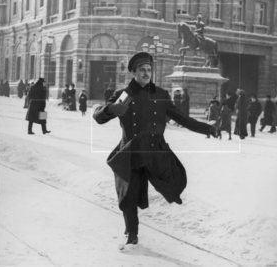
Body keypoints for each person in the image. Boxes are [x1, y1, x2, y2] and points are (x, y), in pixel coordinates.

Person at [93, 52, 217, 248]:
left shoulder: (161, 95)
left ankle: (166, 197)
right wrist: (109, 110)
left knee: (173, 182)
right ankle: (132, 233)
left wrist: (208, 128)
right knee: (128, 195)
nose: (146, 73)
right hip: (131, 152)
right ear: (133, 72)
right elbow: (98, 116)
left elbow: (183, 119)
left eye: (149, 69)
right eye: (142, 69)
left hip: (155, 153)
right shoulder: (125, 95)